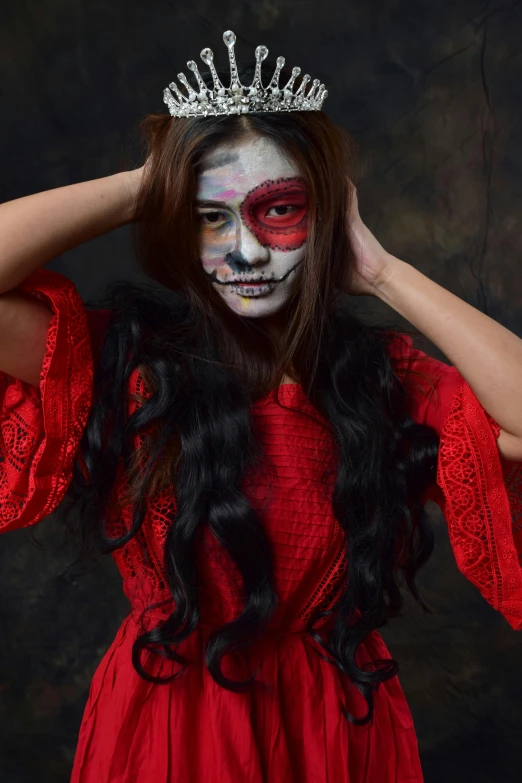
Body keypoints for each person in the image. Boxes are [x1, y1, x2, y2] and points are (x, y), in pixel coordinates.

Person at [1, 29, 521, 783]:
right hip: (172, 728)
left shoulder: (382, 380)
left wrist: (381, 271)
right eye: (211, 217)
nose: (244, 252)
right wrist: (152, 184)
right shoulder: (129, 366)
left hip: (338, 731)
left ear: (326, 216)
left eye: (277, 210)